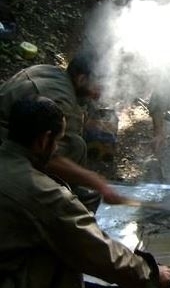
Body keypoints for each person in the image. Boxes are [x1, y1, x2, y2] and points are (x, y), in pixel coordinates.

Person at [0, 96, 170, 288]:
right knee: (62, 252)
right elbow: (93, 248)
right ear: (44, 140)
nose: (57, 149)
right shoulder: (41, 193)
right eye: (57, 141)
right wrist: (150, 274)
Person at [0, 50, 125, 206]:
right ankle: (48, 200)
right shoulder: (59, 97)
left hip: (13, 141)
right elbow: (48, 155)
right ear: (81, 79)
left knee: (78, 142)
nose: (100, 93)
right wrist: (96, 181)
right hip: (7, 154)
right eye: (99, 86)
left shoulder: (53, 72)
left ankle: (65, 189)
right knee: (75, 146)